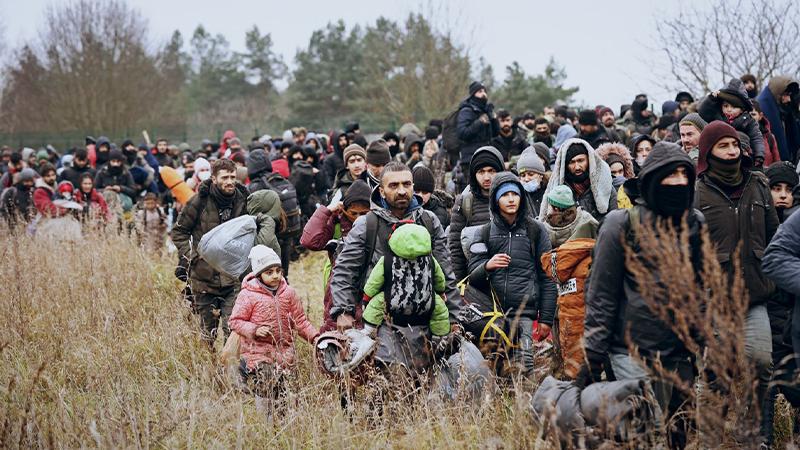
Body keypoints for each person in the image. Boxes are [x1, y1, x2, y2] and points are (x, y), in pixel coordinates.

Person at [580, 141, 703, 449]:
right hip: (630, 352)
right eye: (669, 175)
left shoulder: (695, 224)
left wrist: (707, 340)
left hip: (679, 352)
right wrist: (594, 352)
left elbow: (704, 289)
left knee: (681, 432)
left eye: (683, 174)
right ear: (651, 181)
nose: (678, 182)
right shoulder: (620, 224)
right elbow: (601, 293)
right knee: (644, 433)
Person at [695, 121, 778, 437]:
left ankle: (751, 424)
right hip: (716, 298)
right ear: (708, 152)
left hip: (755, 293)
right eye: (723, 146)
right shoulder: (697, 192)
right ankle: (711, 433)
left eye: (734, 145)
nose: (731, 152)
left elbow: (773, 235)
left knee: (760, 361)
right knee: (718, 372)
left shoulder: (758, 185)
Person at [330, 162, 462, 338]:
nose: (401, 191)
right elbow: (345, 270)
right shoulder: (367, 224)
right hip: (380, 322)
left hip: (427, 321)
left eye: (406, 184)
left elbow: (445, 273)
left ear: (413, 187)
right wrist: (343, 312)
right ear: (382, 191)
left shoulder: (429, 221)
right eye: (393, 185)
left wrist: (453, 318)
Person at [467, 172, 556, 376]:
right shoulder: (484, 232)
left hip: (524, 315)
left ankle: (525, 408)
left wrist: (546, 319)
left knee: (524, 369)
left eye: (514, 194)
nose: (510, 199)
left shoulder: (536, 230)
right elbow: (472, 276)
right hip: (493, 315)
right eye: (504, 195)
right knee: (495, 370)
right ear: (495, 199)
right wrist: (488, 265)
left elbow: (548, 276)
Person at [228, 245, 318, 414]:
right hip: (258, 352)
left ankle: (282, 422)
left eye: (278, 270)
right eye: (269, 272)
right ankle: (266, 422)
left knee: (284, 391)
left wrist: (316, 338)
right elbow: (235, 321)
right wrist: (254, 329)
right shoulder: (248, 295)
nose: (275, 275)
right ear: (259, 275)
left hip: (284, 352)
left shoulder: (289, 293)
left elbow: (300, 321)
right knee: (267, 383)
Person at [172, 159, 250, 347]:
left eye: (233, 176)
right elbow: (179, 232)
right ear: (214, 178)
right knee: (207, 335)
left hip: (234, 279)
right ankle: (208, 373)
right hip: (204, 279)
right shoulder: (199, 201)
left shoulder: (244, 200)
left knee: (232, 331)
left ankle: (231, 373)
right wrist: (193, 256)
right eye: (225, 177)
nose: (230, 181)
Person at [761, 161, 800, 446]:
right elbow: (772, 259)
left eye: (788, 189)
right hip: (769, 306)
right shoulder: (759, 217)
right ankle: (765, 436)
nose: (782, 195)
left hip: (787, 309)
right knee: (772, 375)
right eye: (776, 188)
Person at [300, 180, 372, 333]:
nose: (359, 218)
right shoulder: (337, 224)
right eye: (354, 213)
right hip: (338, 290)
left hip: (368, 287)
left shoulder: (376, 224)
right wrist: (326, 211)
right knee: (335, 332)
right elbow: (309, 241)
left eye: (364, 213)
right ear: (345, 210)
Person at [360, 223, 451, 338]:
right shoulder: (430, 260)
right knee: (440, 310)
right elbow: (439, 279)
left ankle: (369, 330)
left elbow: (374, 281)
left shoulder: (387, 260)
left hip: (392, 300)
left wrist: (367, 297)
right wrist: (441, 292)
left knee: (376, 305)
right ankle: (441, 336)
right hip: (426, 301)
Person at [448, 146, 504, 280]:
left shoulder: (513, 197)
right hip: (476, 278)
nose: (486, 177)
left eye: (491, 171)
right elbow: (456, 248)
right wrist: (460, 282)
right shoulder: (465, 201)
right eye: (481, 172)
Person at [539, 138, 617, 221]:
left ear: (589, 160)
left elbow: (615, 219)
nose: (577, 167)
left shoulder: (604, 186)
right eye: (572, 162)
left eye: (581, 161)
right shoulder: (558, 190)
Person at [698, 78, 766, 165]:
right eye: (725, 106)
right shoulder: (717, 117)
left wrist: (759, 155)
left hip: (743, 158)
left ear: (742, 109)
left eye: (734, 107)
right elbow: (703, 112)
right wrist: (711, 99)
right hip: (719, 158)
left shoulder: (749, 122)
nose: (729, 110)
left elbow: (756, 138)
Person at [456, 81, 499, 179]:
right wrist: (479, 123)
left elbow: (496, 133)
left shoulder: (486, 110)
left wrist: (493, 118)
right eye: (479, 91)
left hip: (486, 155)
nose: (483, 94)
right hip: (471, 159)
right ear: (473, 94)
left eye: (484, 91)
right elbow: (462, 133)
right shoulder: (467, 111)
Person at [756, 76, 800, 164]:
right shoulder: (762, 108)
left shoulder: (783, 110)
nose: (788, 99)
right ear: (777, 93)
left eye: (789, 95)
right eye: (786, 94)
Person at [750, 100, 782, 168]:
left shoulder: (769, 137)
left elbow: (777, 163)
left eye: (753, 114)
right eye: (747, 114)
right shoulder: (740, 136)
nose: (750, 118)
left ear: (760, 116)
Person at [516, 147, 547, 216]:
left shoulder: (550, 192)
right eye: (523, 175)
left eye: (531, 174)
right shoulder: (518, 197)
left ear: (541, 175)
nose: (526, 179)